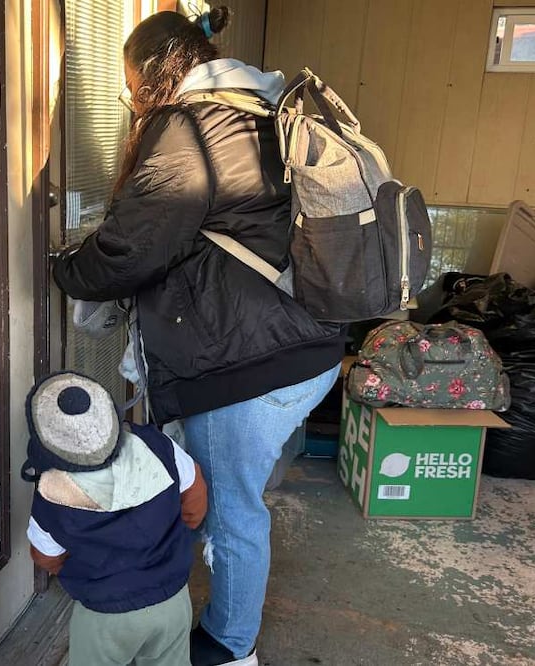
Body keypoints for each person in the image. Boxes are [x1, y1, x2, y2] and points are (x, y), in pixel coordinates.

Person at [51, 7, 345, 666]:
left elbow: (131, 250)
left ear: (156, 77)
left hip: (249, 362)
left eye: (131, 86)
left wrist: (62, 268)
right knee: (220, 496)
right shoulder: (253, 112)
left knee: (231, 511)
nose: (130, 100)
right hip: (290, 343)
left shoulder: (194, 126)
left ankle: (230, 647)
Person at [23, 371, 208, 666]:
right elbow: (194, 496)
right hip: (172, 599)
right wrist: (181, 531)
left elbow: (47, 556)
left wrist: (79, 563)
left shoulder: (52, 493)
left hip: (104, 616)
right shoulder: (156, 445)